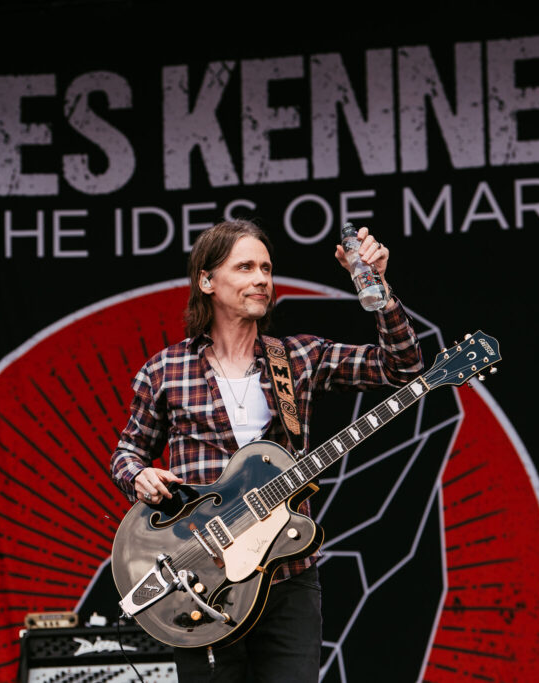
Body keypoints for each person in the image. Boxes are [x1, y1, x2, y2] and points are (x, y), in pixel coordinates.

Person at [110, 219, 424, 682]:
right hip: (202, 578)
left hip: (287, 575)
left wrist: (379, 285)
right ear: (207, 280)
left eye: (267, 268)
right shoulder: (166, 371)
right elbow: (127, 453)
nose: (261, 278)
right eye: (245, 267)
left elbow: (402, 367)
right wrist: (139, 476)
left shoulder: (297, 358)